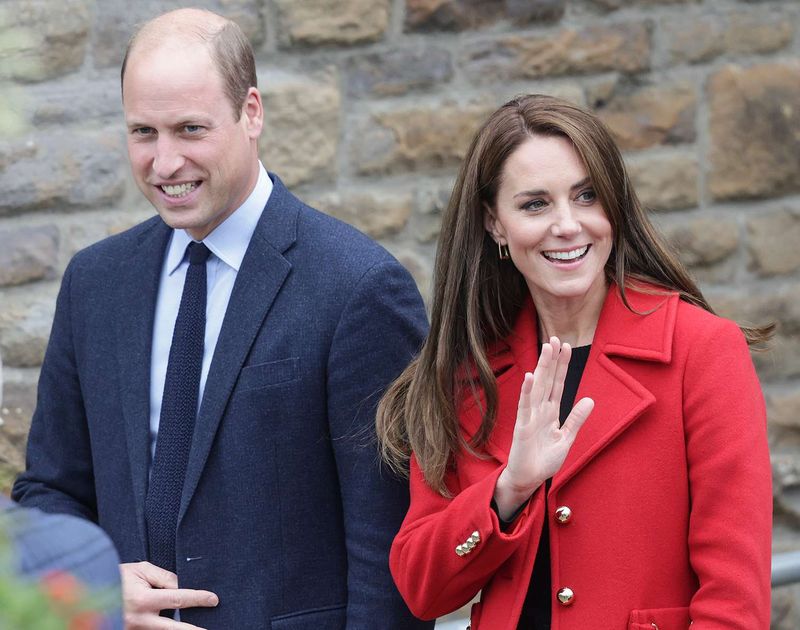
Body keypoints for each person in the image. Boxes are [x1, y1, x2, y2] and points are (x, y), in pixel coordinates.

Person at [13, 8, 431, 630]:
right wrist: (91, 586)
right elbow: (49, 491)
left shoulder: (358, 288)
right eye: (143, 133)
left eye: (189, 129)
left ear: (252, 112)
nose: (165, 162)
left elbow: (388, 552)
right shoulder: (93, 284)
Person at [377, 94, 773, 629]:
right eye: (535, 204)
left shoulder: (702, 351)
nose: (568, 225)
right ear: (495, 224)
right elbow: (422, 589)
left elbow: (734, 603)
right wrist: (507, 491)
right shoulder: (464, 373)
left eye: (587, 196)